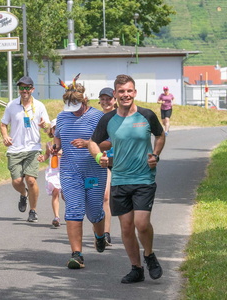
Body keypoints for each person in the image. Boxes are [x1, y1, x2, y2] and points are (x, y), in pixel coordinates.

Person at [88, 74, 166, 284]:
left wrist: (155, 155)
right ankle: (136, 268)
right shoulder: (108, 119)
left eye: (129, 91)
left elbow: (160, 135)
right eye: (121, 91)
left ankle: (149, 255)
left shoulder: (146, 115)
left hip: (143, 178)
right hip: (119, 180)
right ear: (115, 94)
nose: (125, 95)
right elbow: (93, 143)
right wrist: (99, 157)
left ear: (135, 93)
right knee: (126, 227)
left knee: (141, 224)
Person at [53, 76, 109, 269]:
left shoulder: (98, 117)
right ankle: (77, 254)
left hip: (93, 171)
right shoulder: (62, 117)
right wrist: (54, 147)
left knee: (94, 212)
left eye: (76, 106)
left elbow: (109, 142)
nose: (74, 111)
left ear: (84, 100)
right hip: (70, 171)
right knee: (74, 209)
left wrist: (88, 144)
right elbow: (58, 138)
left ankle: (100, 235)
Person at [0, 76, 50, 222]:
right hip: (15, 149)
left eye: (27, 87)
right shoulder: (11, 105)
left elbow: (48, 129)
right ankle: (24, 194)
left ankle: (33, 210)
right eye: (22, 87)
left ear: (32, 89)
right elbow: (3, 124)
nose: (24, 90)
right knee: (17, 181)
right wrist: (5, 136)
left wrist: (45, 126)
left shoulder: (39, 106)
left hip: (33, 148)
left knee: (31, 180)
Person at [98, 87, 117, 246]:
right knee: (104, 197)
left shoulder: (120, 117)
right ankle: (104, 234)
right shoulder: (96, 118)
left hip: (119, 163)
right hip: (102, 163)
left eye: (108, 99)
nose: (105, 102)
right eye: (102, 99)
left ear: (114, 100)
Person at [38, 119, 62, 228]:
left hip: (65, 171)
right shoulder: (49, 144)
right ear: (51, 131)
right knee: (55, 192)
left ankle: (71, 213)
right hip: (54, 171)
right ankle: (56, 216)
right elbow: (47, 154)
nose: (57, 130)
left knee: (66, 196)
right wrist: (43, 157)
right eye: (55, 128)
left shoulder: (67, 143)